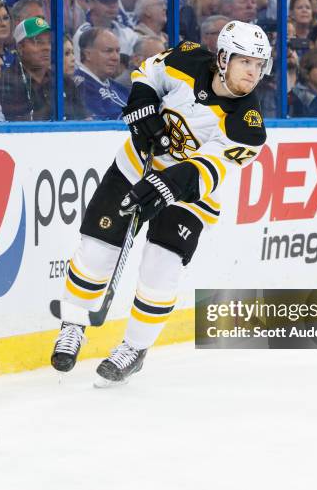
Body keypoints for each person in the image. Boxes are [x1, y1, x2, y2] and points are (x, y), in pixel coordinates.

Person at [50, 21, 272, 385]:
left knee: (161, 267)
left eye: (258, 65)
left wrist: (166, 187)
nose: (252, 71)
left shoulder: (248, 125)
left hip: (191, 195)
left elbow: (207, 169)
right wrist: (143, 107)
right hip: (136, 165)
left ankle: (134, 349)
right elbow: (148, 74)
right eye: (245, 61)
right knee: (97, 249)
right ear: (223, 58)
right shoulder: (187, 58)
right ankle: (73, 325)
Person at [73, 0, 139, 67]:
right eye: (106, 1)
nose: (112, 6)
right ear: (91, 3)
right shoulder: (82, 35)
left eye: (115, 1)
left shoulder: (128, 34)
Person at [0, 16, 52, 121]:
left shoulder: (63, 81)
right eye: (38, 42)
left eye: (49, 41)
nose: (47, 47)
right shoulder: (5, 83)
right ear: (20, 47)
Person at [74, 27, 130, 120]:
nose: (116, 57)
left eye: (118, 51)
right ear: (88, 54)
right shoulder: (79, 87)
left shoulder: (120, 88)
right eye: (108, 51)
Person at [63, 35, 89, 120]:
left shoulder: (70, 84)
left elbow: (86, 119)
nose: (73, 58)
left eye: (73, 53)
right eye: (67, 54)